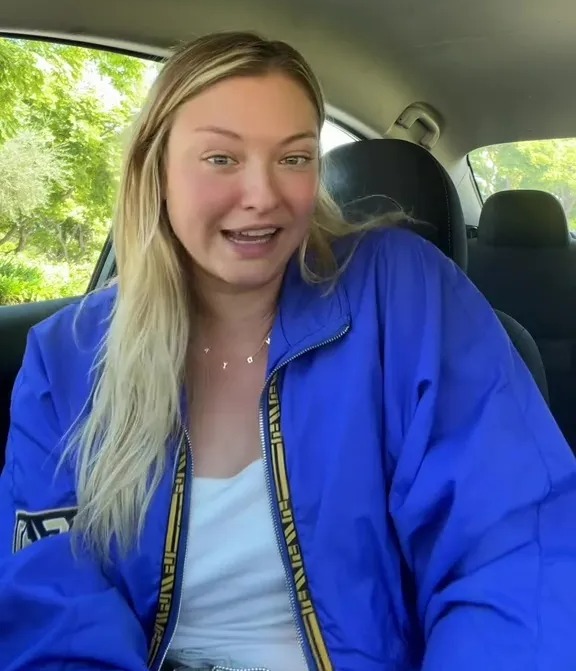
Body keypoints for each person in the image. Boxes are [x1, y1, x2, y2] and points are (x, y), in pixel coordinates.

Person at [0, 30, 575, 671]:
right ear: (155, 169)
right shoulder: (67, 358)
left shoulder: (404, 297)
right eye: (221, 158)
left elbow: (512, 545)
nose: (263, 194)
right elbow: (49, 602)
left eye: (294, 158)